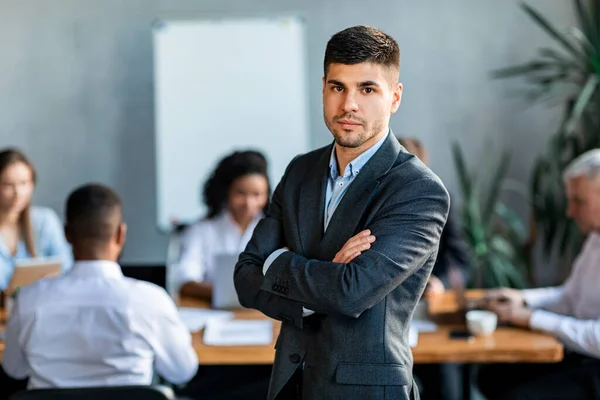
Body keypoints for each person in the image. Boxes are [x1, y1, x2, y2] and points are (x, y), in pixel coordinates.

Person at [234, 25, 450, 400]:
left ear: (394, 97)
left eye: (367, 89)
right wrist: (328, 275)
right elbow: (245, 276)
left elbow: (351, 293)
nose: (348, 104)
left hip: (364, 391)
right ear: (323, 89)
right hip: (289, 382)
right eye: (338, 87)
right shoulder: (300, 171)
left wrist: (280, 262)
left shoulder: (418, 190)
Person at [3, 183, 198, 390]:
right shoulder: (151, 300)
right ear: (121, 234)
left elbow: (14, 369)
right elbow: (181, 371)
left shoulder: (29, 299)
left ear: (67, 234)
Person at [477, 149, 600, 399]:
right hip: (580, 354)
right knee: (490, 377)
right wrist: (521, 299)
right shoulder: (594, 239)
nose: (569, 211)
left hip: (595, 363)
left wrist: (530, 317)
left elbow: (598, 338)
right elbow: (569, 296)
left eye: (578, 201)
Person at [399, 137, 469, 400]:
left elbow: (461, 264)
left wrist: (441, 283)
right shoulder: (372, 204)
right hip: (388, 317)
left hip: (431, 314)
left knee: (445, 382)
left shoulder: (442, 201)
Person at [177, 150, 270, 301]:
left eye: (257, 194)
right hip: (213, 312)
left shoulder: (274, 229)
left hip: (264, 314)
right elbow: (185, 281)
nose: (249, 203)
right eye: (241, 193)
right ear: (226, 190)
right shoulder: (201, 231)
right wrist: (227, 293)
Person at [0, 148, 71, 291]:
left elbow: (66, 267)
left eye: (24, 183)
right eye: (8, 185)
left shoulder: (45, 221)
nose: (18, 193)